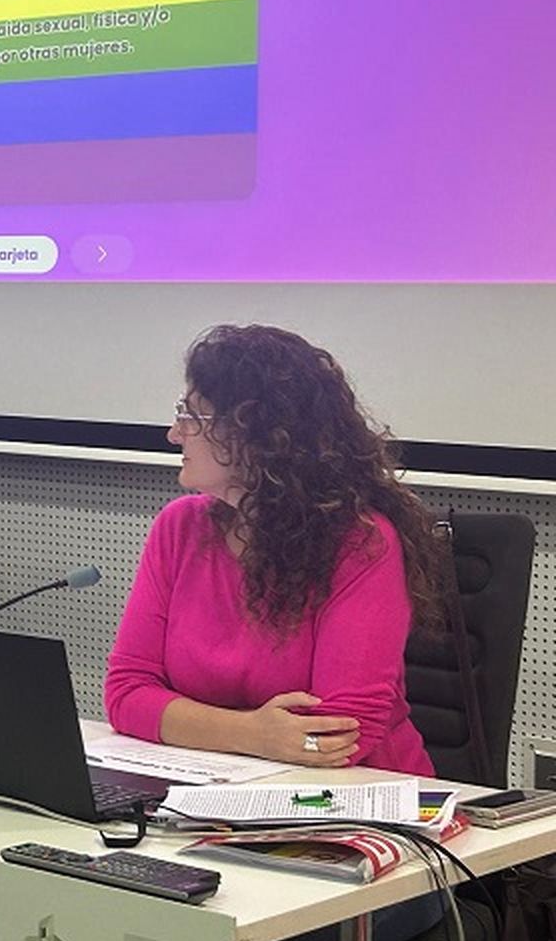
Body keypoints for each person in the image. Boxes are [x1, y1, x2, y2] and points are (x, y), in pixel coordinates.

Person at [105, 323, 446, 774]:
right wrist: (252, 733)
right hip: (215, 789)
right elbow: (127, 694)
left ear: (254, 434)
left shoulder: (359, 542)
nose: (174, 433)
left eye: (192, 416)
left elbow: (339, 732)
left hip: (361, 800)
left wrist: (191, 723)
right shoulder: (177, 529)